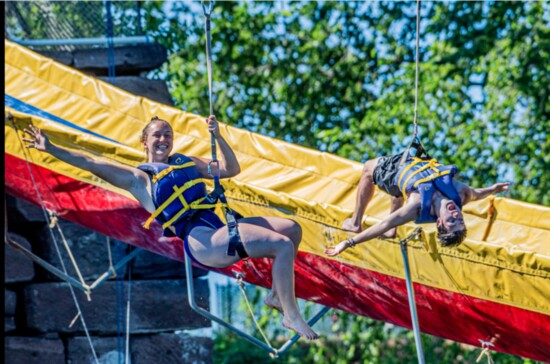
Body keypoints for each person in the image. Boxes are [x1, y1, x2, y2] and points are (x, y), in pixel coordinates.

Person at [23, 115, 319, 340]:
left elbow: (231, 169)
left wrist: (218, 136)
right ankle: (291, 316)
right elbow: (90, 162)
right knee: (281, 246)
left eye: (168, 134)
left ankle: (275, 296)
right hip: (203, 240)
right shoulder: (139, 179)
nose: (163, 139)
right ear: (145, 142)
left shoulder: (187, 162)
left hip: (220, 224)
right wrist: (52, 149)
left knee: (291, 230)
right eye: (156, 135)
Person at [327, 152, 510, 256]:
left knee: (368, 168)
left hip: (399, 173)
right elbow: (478, 194)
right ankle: (393, 232)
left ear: (439, 222)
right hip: (414, 165)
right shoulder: (462, 195)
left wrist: (348, 243)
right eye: (460, 220)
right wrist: (493, 189)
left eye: (452, 222)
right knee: (398, 191)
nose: (456, 216)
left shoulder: (416, 207)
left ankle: (355, 222)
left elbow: (383, 224)